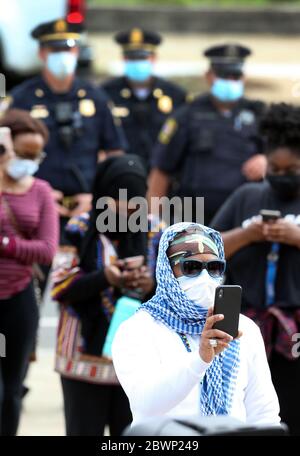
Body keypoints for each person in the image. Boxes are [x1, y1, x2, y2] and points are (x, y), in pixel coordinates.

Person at [112, 222, 280, 427]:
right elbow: (146, 404)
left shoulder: (243, 328)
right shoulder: (138, 329)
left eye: (214, 267)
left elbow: (264, 412)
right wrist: (200, 359)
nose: (205, 277)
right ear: (167, 271)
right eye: (191, 267)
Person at [51, 154, 164, 436]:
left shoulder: (156, 231)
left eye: (135, 200)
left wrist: (150, 284)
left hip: (139, 364)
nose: (127, 207)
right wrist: (106, 277)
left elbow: (177, 292)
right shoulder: (78, 228)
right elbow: (60, 285)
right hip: (82, 360)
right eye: (118, 198)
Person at [211, 103, 300, 435]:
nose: (281, 174)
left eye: (292, 168)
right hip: (244, 321)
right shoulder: (247, 195)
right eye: (274, 168)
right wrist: (247, 234)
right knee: (247, 411)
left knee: (291, 406)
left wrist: (296, 237)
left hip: (295, 325)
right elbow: (206, 250)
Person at [5, 18, 126, 245]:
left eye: (67, 49)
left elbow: (114, 154)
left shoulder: (96, 97)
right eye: (55, 50)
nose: (62, 55)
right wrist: (32, 192)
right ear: (42, 53)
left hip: (88, 206)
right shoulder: (22, 98)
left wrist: (98, 197)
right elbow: (6, 156)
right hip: (34, 206)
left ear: (77, 52)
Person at [148, 43, 267, 224]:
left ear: (244, 78)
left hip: (244, 215)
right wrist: (153, 222)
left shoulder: (259, 114)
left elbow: (284, 158)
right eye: (223, 75)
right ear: (209, 76)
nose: (229, 81)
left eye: (235, 76)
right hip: (192, 214)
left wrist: (266, 161)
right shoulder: (187, 115)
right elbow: (161, 171)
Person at [0, 110, 58, 435]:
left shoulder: (40, 191)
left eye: (36, 155)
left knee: (12, 389)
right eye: (22, 153)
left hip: (19, 299)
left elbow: (47, 249)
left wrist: (6, 244)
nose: (29, 161)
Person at [101, 28, 186, 171]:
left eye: (142, 58)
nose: (137, 63)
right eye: (132, 58)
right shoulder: (106, 94)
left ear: (153, 58)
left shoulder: (175, 96)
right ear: (124, 59)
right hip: (121, 174)